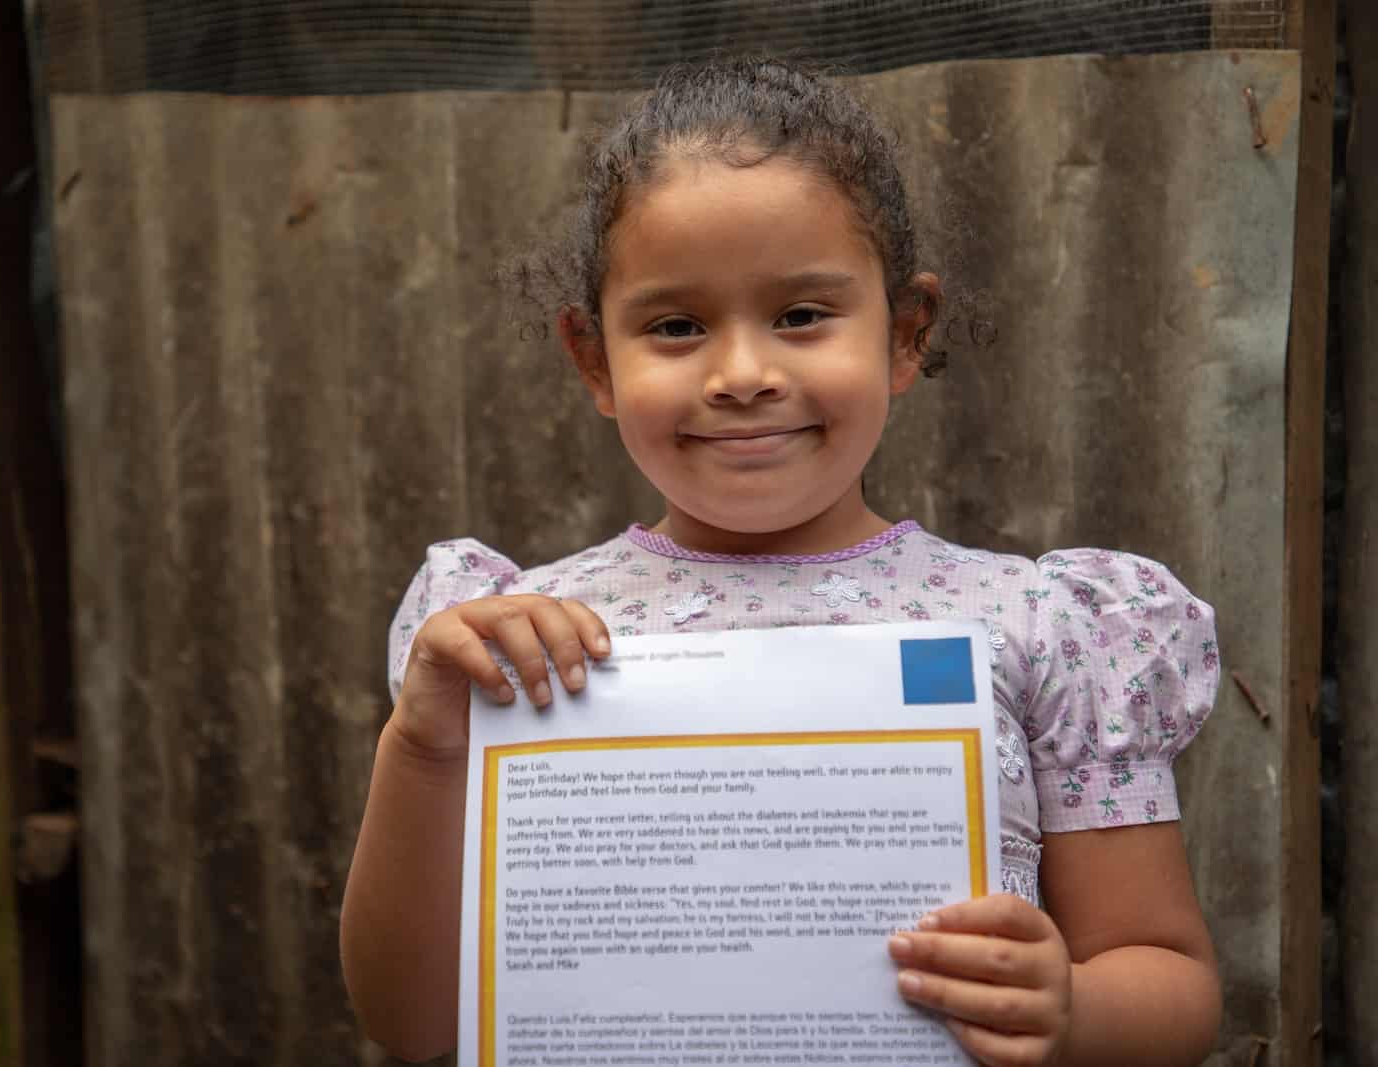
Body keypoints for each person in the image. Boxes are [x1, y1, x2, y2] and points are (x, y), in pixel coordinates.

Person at [342, 57, 1222, 1066]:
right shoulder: (512, 640)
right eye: (675, 326)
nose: (744, 374)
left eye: (802, 315)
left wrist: (1071, 1009)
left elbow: (1171, 979)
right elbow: (413, 1022)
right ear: (594, 361)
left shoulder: (1040, 625)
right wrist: (423, 746)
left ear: (903, 334)